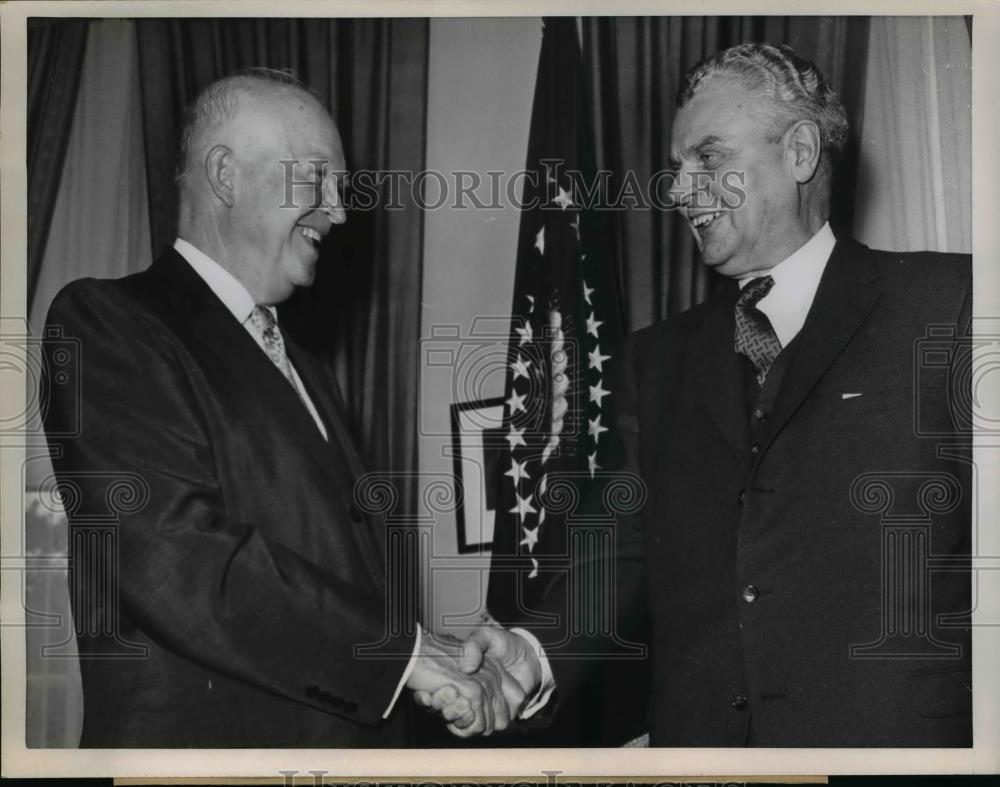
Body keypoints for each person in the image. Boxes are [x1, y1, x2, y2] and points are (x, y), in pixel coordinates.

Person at [438, 42, 972, 747]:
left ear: (802, 152)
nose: (681, 191)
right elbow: (620, 553)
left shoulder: (950, 305)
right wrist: (535, 655)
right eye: (677, 168)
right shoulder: (655, 362)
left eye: (709, 159)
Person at [41, 68, 525, 747]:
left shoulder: (305, 367)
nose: (340, 208)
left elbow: (330, 579)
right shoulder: (107, 321)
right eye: (318, 175)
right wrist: (405, 656)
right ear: (226, 175)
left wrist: (428, 657)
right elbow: (174, 556)